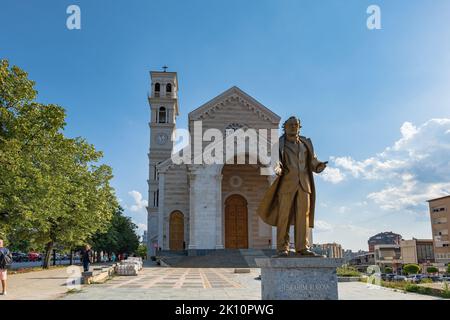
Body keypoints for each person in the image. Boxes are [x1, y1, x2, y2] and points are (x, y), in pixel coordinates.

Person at [257, 116, 327, 256]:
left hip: (304, 185)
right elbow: (276, 160)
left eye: (296, 124)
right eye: (290, 124)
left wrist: (319, 166)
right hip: (287, 185)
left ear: (299, 127)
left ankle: (303, 247)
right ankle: (283, 248)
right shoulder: (280, 144)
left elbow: (312, 160)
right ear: (285, 127)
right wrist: (277, 168)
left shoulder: (306, 143)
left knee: (304, 216)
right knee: (284, 216)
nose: (293, 126)